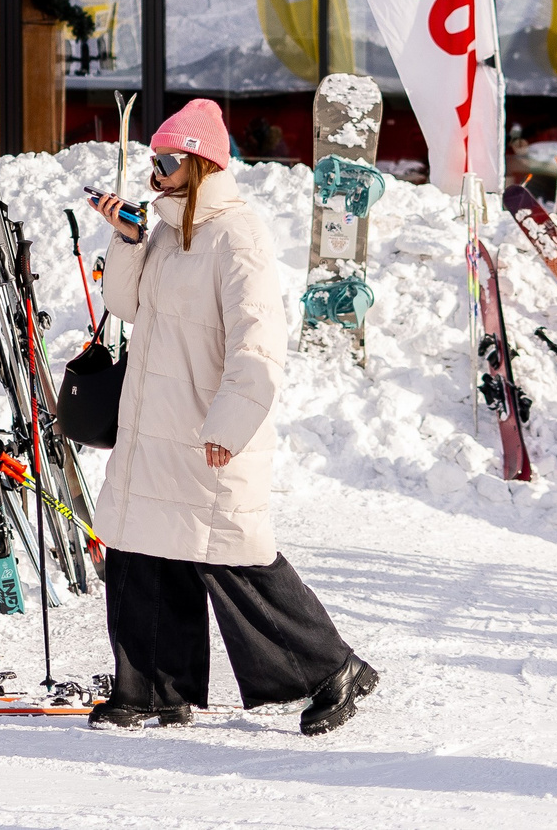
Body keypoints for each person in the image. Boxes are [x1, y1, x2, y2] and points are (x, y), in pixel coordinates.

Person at [87, 97, 377, 735]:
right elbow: (126, 305)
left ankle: (334, 668)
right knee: (141, 554)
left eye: (165, 160)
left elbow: (258, 345)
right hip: (153, 424)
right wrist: (129, 240)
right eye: (152, 159)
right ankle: (154, 691)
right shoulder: (165, 229)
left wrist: (228, 425)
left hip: (204, 428)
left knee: (232, 560)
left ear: (198, 163)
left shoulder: (238, 234)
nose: (154, 171)